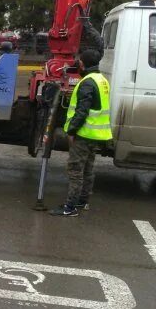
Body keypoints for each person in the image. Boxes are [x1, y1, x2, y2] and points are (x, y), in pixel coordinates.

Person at [50, 48, 113, 217]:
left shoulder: (86, 82)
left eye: (79, 62)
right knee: (88, 169)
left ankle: (70, 208)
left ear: (83, 64)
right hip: (96, 134)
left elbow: (82, 111)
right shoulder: (102, 80)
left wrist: (71, 131)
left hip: (84, 134)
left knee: (75, 170)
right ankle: (82, 202)